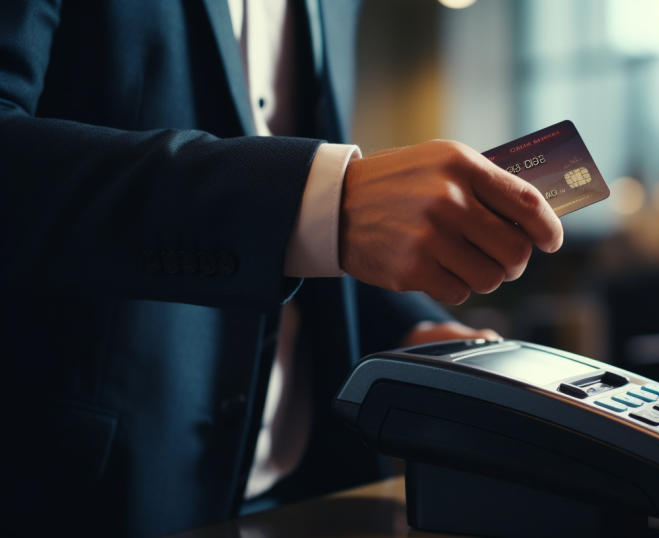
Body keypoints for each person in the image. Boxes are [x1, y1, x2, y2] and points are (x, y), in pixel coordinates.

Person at [0, 1, 563, 537]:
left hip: (318, 488)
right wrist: (320, 199)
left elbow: (298, 238)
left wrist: (406, 331)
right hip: (90, 495)